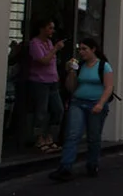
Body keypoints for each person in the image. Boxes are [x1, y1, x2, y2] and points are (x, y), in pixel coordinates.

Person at [49, 38, 113, 181]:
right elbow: (71, 87)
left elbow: (109, 87)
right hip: (78, 102)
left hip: (95, 103)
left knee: (93, 136)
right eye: (80, 49)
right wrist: (71, 72)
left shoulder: (104, 66)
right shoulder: (81, 66)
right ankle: (65, 167)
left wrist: (101, 104)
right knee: (72, 134)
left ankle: (92, 163)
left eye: (85, 49)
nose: (81, 52)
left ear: (93, 49)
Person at [28, 19, 66, 154]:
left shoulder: (49, 42)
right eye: (50, 28)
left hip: (52, 81)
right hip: (40, 82)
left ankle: (50, 137)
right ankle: (39, 139)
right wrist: (56, 49)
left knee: (58, 109)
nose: (52, 31)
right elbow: (43, 60)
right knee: (41, 111)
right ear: (41, 28)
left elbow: (52, 62)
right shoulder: (35, 43)